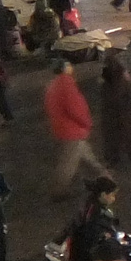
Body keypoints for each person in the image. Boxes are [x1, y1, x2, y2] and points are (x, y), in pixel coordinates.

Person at [45, 60, 108, 199]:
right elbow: (75, 109)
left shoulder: (53, 84)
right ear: (64, 68)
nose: (71, 67)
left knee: (86, 154)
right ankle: (59, 191)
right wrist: (87, 122)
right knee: (67, 164)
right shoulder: (67, 84)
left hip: (62, 128)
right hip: (72, 130)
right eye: (68, 65)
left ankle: (103, 174)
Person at [99, 54, 131, 165]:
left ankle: (113, 156)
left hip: (111, 111)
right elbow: (127, 96)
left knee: (112, 134)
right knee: (128, 130)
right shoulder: (121, 80)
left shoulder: (107, 82)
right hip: (123, 110)